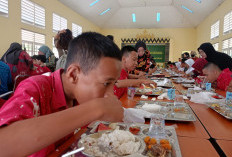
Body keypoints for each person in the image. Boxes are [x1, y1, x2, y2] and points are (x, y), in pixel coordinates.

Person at [0, 32, 124, 157]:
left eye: (114, 83)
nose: (111, 94)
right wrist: (97, 108)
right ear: (73, 75)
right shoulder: (36, 89)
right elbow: (3, 145)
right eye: (106, 83)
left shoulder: (79, 96)